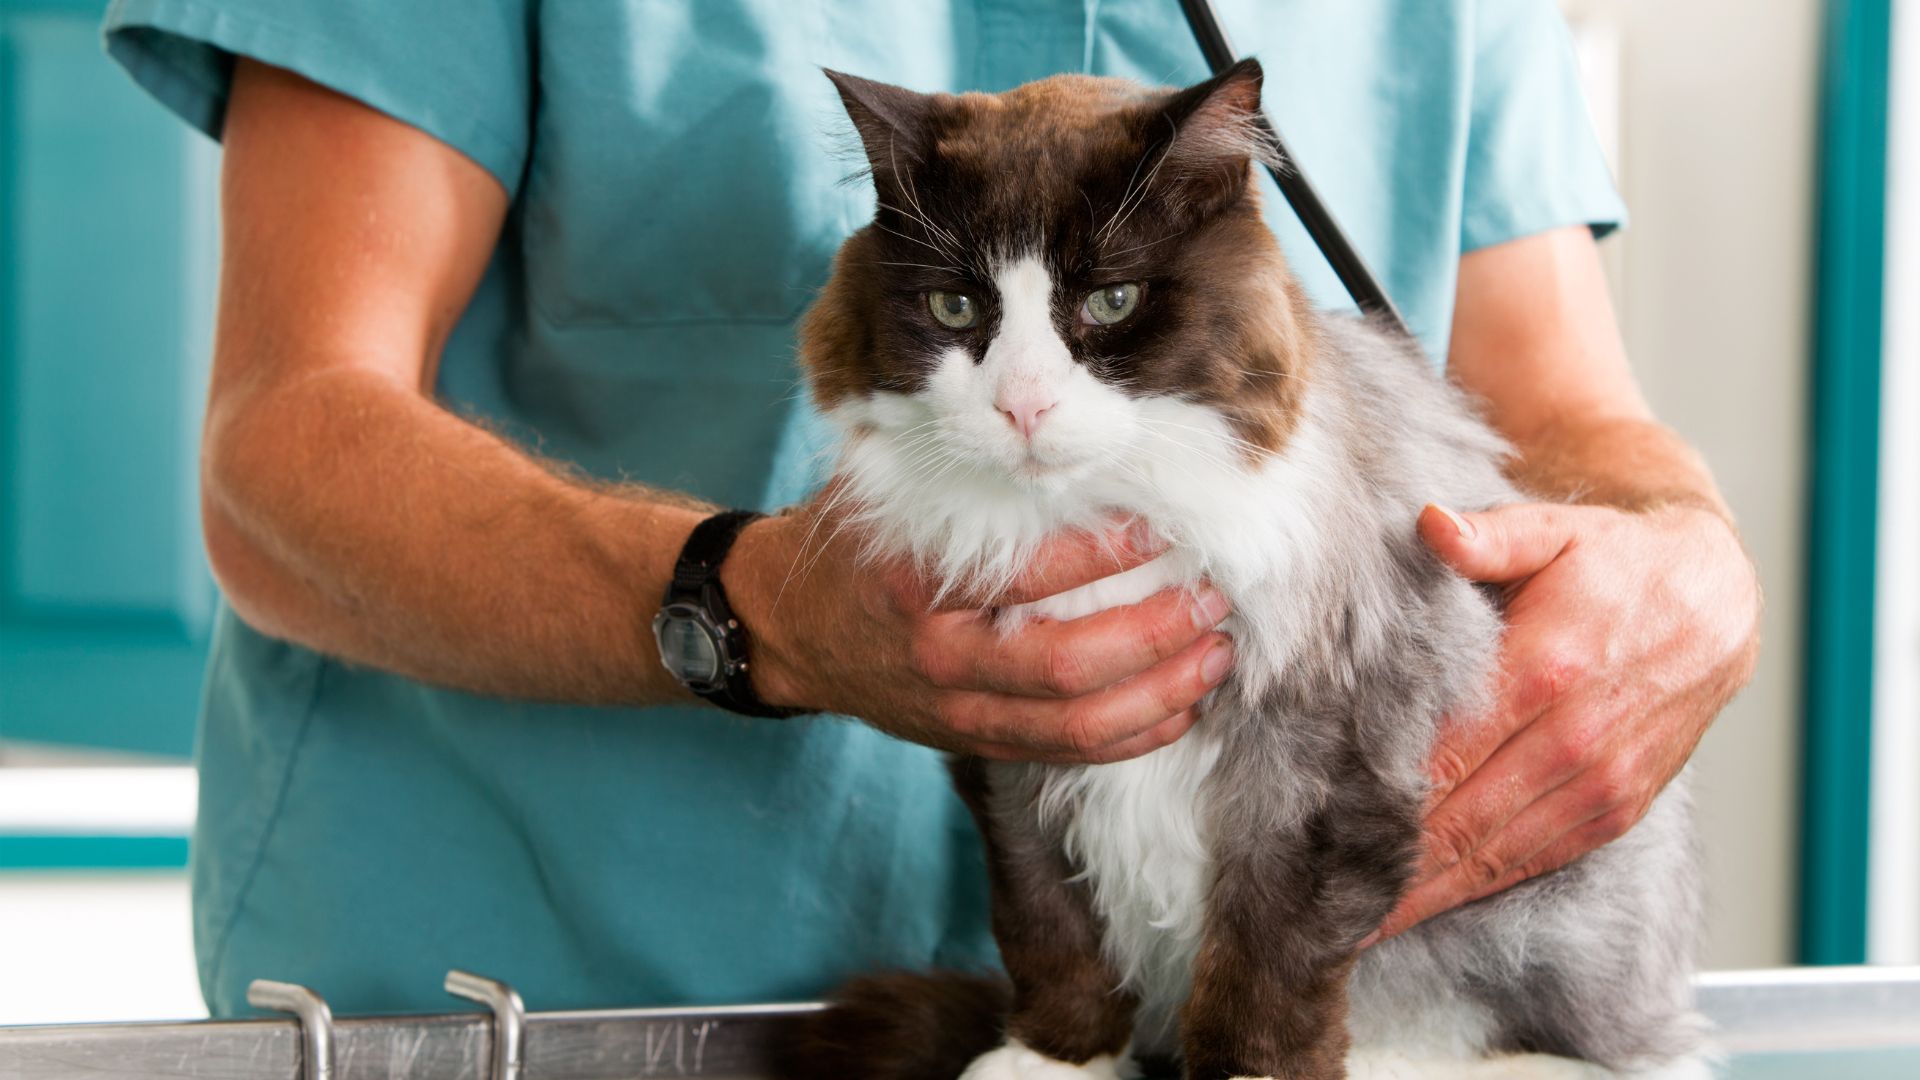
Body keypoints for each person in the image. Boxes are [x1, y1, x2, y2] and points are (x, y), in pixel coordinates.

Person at [101, 0, 1760, 1017]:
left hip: (1185, 1018)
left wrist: (1691, 563)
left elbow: (1561, 419)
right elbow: (283, 451)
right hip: (544, 1001)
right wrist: (752, 610)